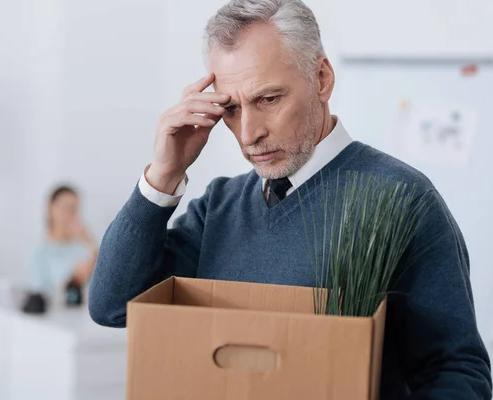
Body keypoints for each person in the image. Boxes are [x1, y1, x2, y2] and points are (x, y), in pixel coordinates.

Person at [88, 0, 492, 398]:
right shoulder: (219, 206)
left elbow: (459, 373)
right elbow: (112, 307)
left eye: (268, 99)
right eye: (230, 109)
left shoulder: (402, 200)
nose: (248, 134)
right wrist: (163, 176)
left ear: (321, 78)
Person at [27, 185, 98, 295]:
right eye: (66, 208)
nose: (70, 215)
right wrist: (73, 280)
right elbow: (39, 296)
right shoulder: (38, 252)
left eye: (74, 209)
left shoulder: (85, 246)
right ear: (50, 208)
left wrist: (89, 242)